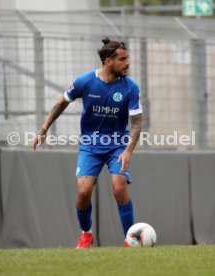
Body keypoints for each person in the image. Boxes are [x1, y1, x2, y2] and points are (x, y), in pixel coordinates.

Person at [33, 38, 142, 249]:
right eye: (122, 59)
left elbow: (137, 124)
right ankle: (86, 234)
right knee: (83, 191)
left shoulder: (131, 88)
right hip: (90, 144)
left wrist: (128, 151)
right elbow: (61, 103)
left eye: (127, 58)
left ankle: (131, 240)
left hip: (118, 144)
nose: (128, 63)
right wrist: (43, 129)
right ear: (108, 61)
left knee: (119, 187)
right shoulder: (85, 82)